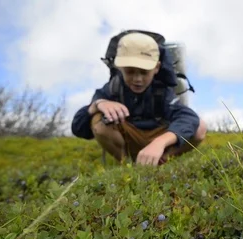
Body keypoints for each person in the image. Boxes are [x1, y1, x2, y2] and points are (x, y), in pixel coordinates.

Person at [71, 32, 207, 166]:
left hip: (160, 141)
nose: (137, 79)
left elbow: (188, 118)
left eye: (144, 72)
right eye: (130, 71)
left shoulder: (163, 90)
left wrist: (160, 142)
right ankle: (127, 165)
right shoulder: (113, 89)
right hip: (129, 140)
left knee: (199, 127)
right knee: (98, 120)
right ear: (120, 68)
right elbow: (78, 128)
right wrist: (98, 104)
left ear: (157, 68)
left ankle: (161, 161)